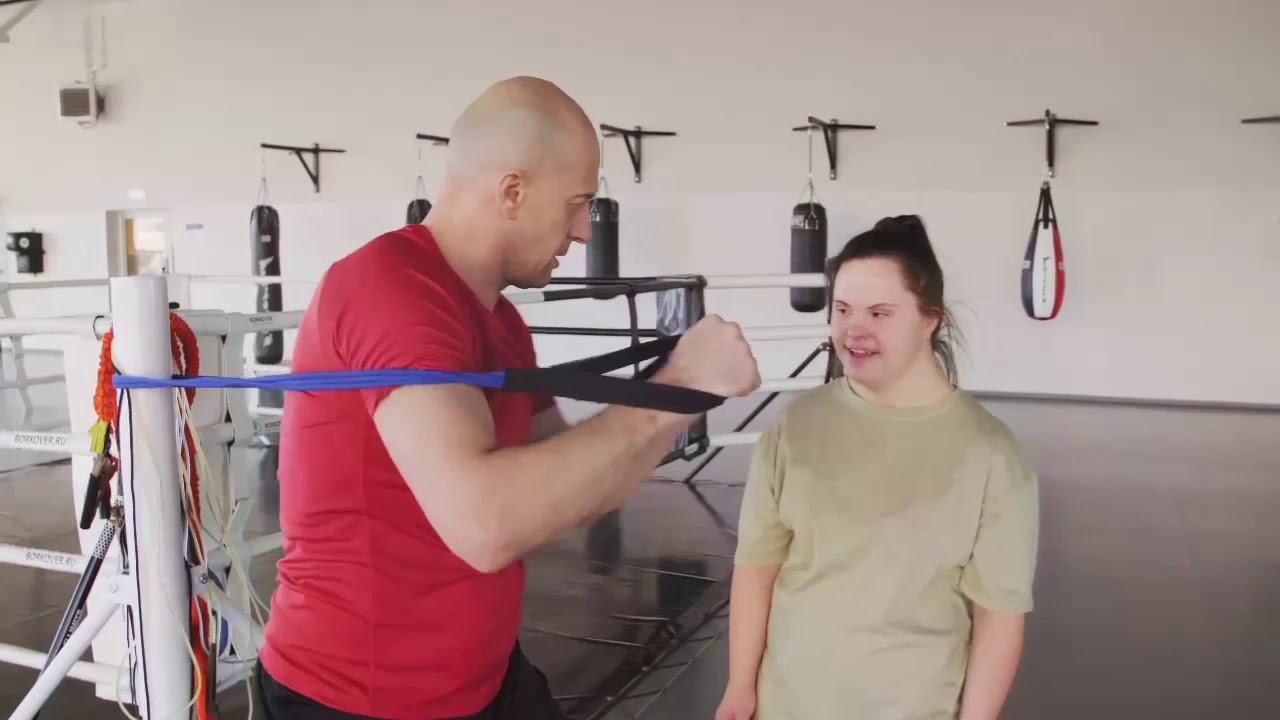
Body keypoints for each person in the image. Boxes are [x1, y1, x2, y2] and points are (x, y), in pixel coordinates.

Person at [252, 76, 762, 720]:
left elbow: (582, 489)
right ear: (513, 191)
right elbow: (485, 526)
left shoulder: (499, 320)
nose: (583, 231)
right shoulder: (391, 289)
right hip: (359, 699)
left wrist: (679, 395)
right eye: (578, 203)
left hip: (482, 679)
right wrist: (675, 388)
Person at [716, 216, 1040, 720]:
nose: (854, 329)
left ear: (929, 318)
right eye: (842, 309)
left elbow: (999, 615)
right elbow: (757, 567)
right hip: (788, 705)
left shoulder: (991, 454)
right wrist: (740, 686)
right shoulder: (795, 425)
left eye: (880, 312)